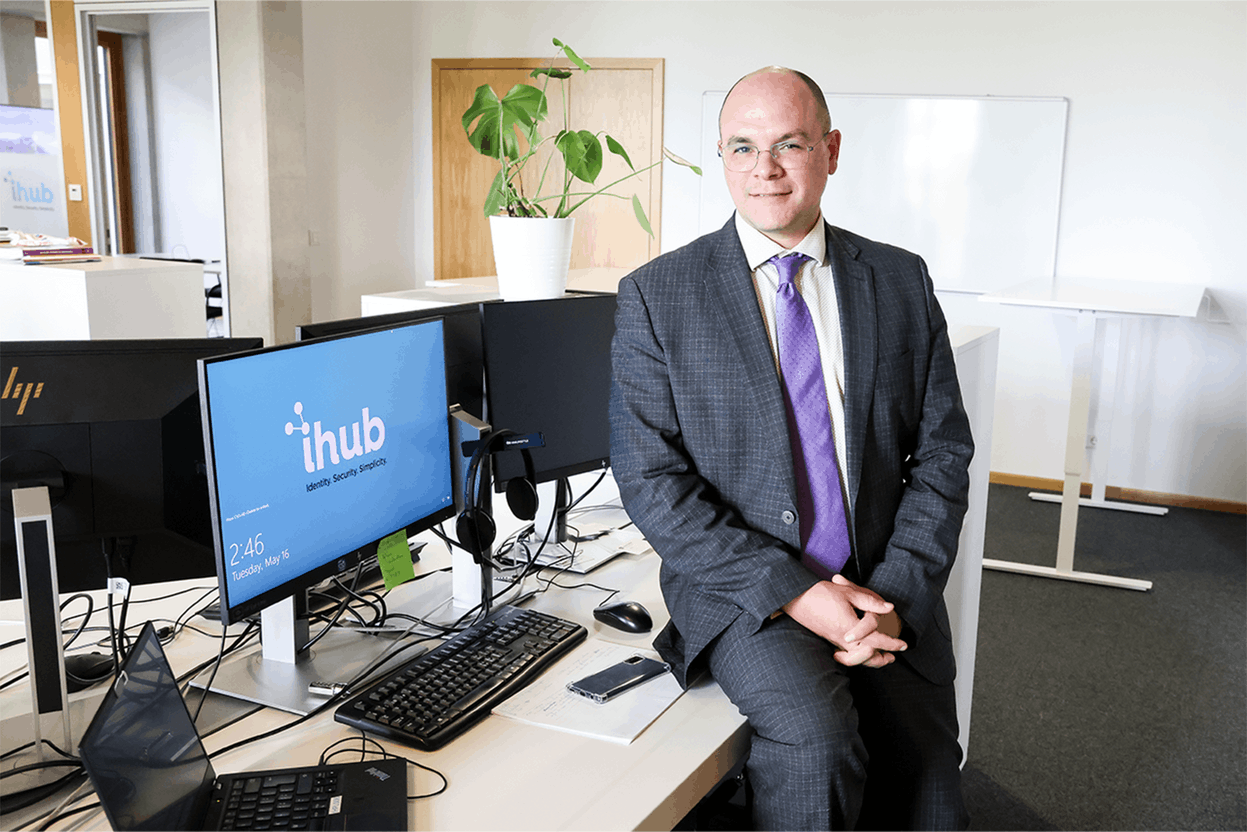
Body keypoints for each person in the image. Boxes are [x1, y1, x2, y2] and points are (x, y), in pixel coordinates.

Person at [609, 66, 974, 830]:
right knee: (817, 742)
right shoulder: (657, 295)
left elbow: (940, 454)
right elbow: (650, 479)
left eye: (789, 144)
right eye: (741, 147)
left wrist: (895, 597)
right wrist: (800, 593)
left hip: (882, 579)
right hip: (746, 590)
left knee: (926, 759)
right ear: (720, 154)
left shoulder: (899, 280)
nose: (763, 169)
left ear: (830, 150)